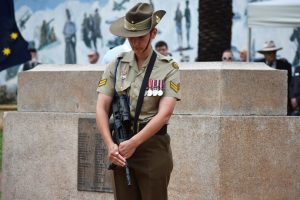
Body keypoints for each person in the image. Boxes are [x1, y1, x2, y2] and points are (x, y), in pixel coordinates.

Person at [96, 3, 181, 200]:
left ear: (153, 33)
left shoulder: (168, 67)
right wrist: (110, 145)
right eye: (131, 37)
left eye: (141, 37)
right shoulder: (115, 65)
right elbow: (101, 108)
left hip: (152, 148)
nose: (135, 43)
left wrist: (134, 142)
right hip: (121, 146)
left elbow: (164, 114)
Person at [257, 40, 292, 115]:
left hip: (280, 101)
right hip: (262, 102)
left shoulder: (285, 65)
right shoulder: (258, 65)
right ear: (264, 54)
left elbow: (289, 83)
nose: (272, 54)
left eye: (273, 52)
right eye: (269, 53)